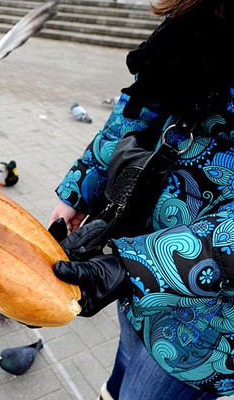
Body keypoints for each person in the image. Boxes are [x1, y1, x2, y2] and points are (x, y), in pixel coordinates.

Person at [49, 0, 234, 398]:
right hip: (131, 249)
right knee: (127, 355)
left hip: (204, 315)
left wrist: (137, 264)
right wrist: (79, 190)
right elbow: (139, 107)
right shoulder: (195, 11)